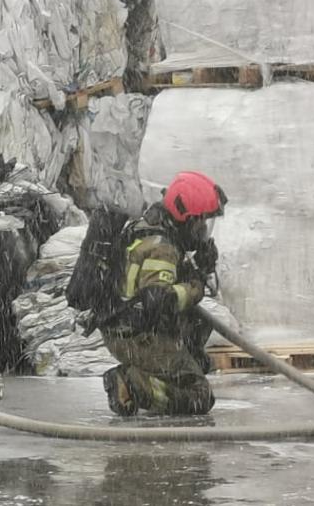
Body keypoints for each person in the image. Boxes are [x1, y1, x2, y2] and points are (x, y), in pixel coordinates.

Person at [68, 170, 226, 417]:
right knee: (199, 397)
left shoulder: (154, 225)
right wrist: (197, 282)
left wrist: (197, 270)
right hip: (134, 336)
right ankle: (132, 384)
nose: (203, 230)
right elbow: (159, 301)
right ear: (185, 218)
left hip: (126, 325)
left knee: (197, 321)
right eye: (200, 221)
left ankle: (173, 368)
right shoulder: (162, 247)